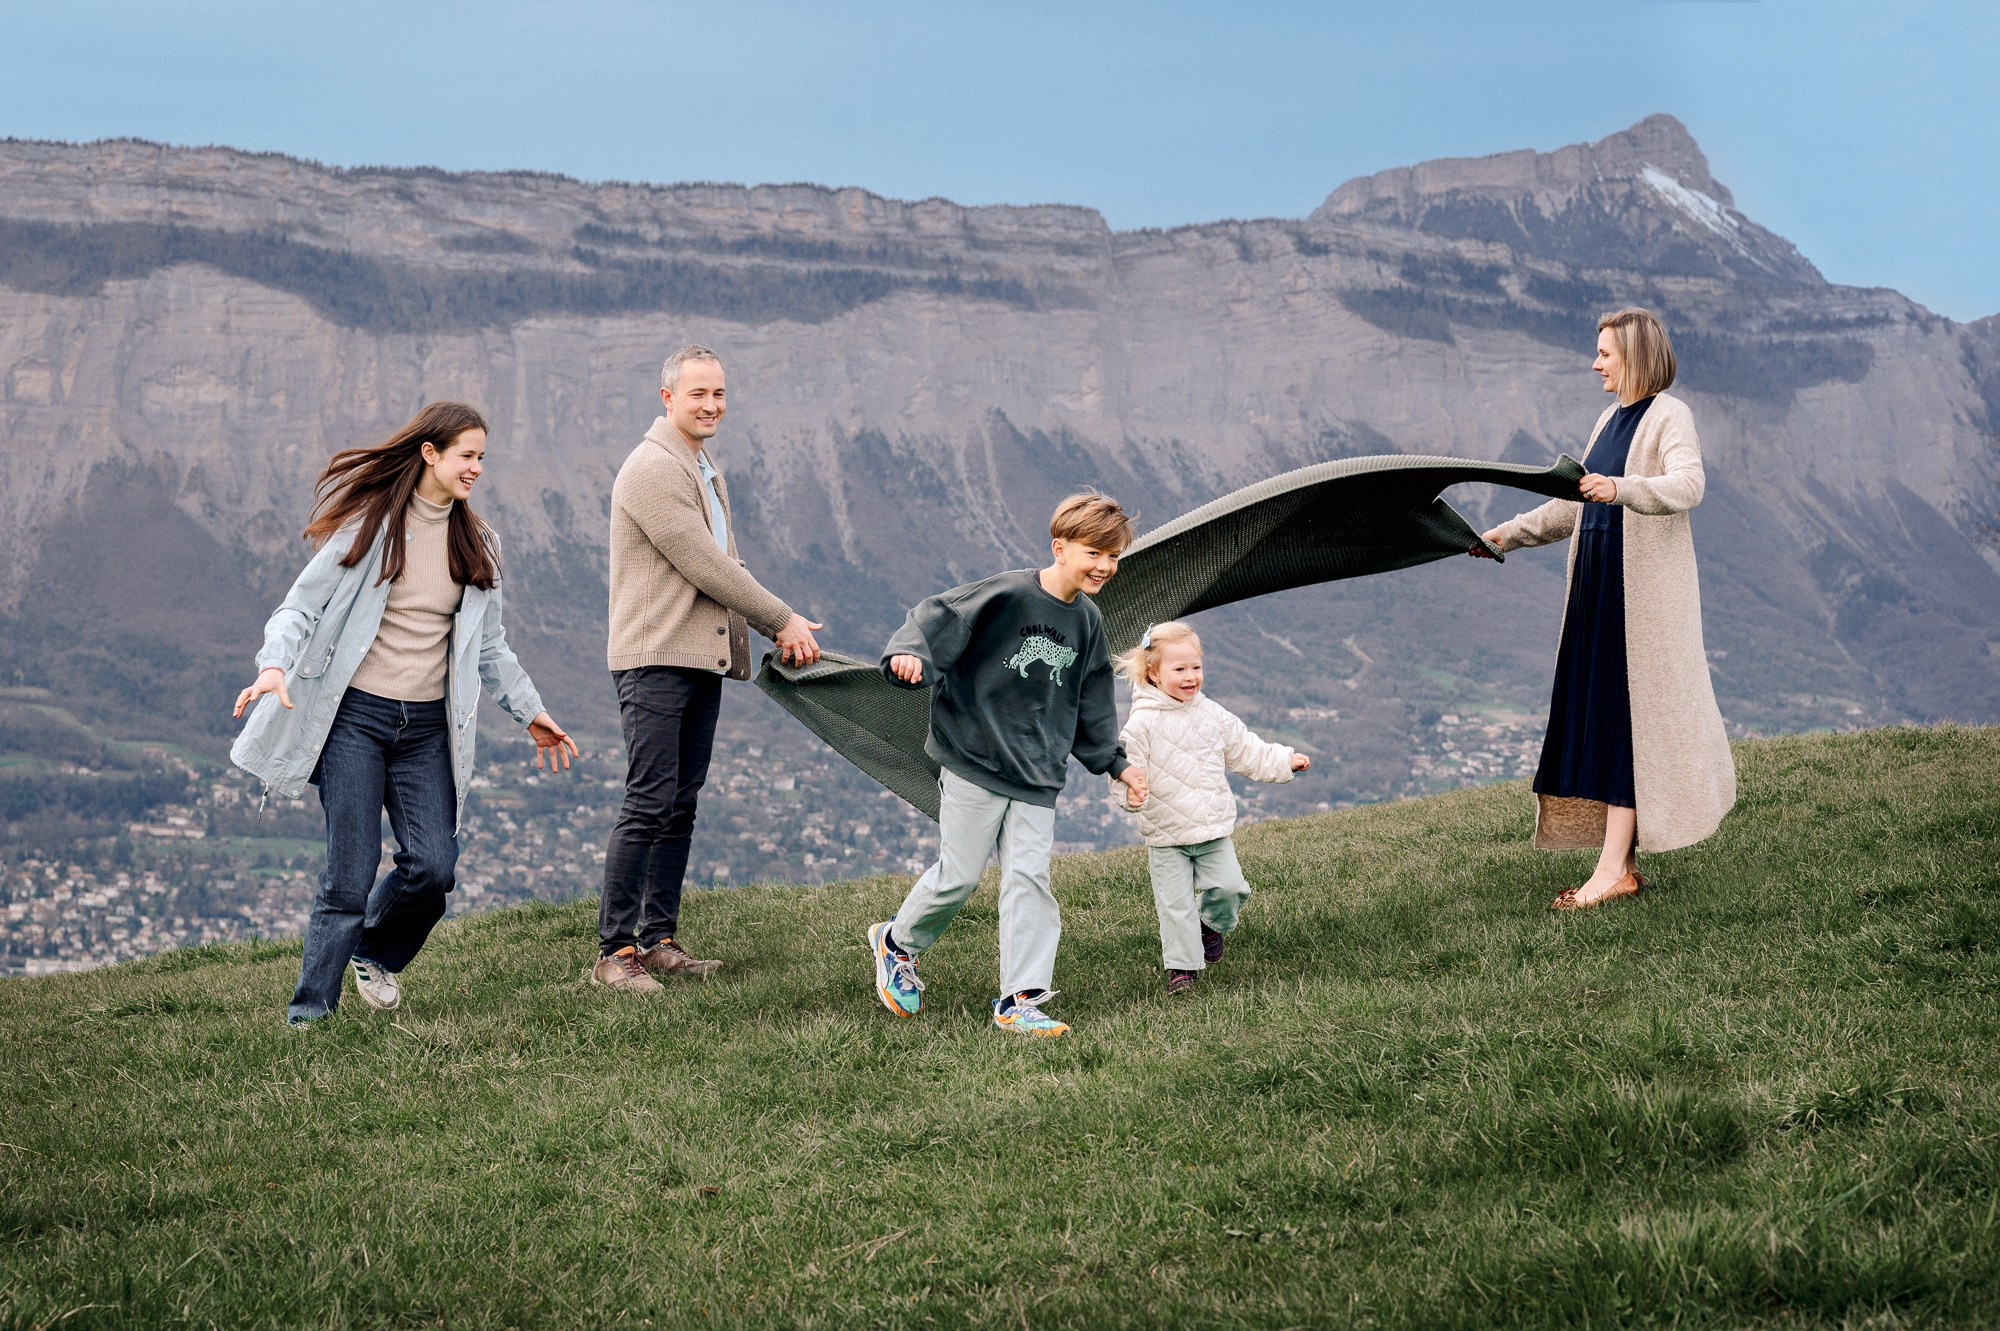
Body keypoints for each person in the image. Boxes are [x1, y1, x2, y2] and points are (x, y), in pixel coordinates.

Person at [231, 402, 580, 1025]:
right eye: (466, 456)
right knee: (349, 875)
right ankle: (309, 1016)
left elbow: (490, 646)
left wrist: (530, 711)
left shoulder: (479, 544)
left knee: (433, 868)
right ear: (431, 454)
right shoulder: (370, 527)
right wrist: (272, 666)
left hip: (425, 731)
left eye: (482, 458)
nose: (476, 468)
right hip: (355, 723)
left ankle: (376, 951)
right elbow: (298, 608)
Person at [1473, 307, 1736, 908]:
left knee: (1627, 725)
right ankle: (1618, 862)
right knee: (1604, 720)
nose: (1595, 363)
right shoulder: (1606, 420)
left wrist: (1623, 489)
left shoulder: (1672, 417)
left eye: (1605, 354)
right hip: (1597, 593)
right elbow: (1574, 506)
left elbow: (1688, 486)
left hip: (1640, 605)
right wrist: (1504, 535)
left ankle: (1613, 868)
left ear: (1636, 356)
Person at [867, 493, 1149, 1037]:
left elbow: (1093, 698)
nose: (1105, 566)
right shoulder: (1007, 594)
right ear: (1059, 547)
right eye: (1095, 552)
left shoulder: (1087, 620)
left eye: (1114, 556)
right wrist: (913, 656)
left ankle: (1020, 999)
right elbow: (933, 618)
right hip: (974, 756)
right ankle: (897, 943)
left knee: (1029, 879)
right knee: (960, 876)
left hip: (1038, 771)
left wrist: (1117, 764)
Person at [594, 344, 823, 992]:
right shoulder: (652, 467)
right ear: (667, 398)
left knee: (679, 804)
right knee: (648, 801)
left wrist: (783, 623)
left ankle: (659, 937)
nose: (712, 404)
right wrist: (779, 618)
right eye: (698, 393)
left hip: (697, 658)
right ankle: (614, 952)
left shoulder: (703, 468)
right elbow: (705, 564)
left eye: (719, 393)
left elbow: (731, 564)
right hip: (654, 659)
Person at [1110, 621, 1309, 994]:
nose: (1190, 677)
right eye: (1179, 669)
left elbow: (1245, 749)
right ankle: (1182, 970)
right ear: (1153, 673)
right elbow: (1125, 769)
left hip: (1211, 828)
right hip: (1166, 834)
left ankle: (1210, 925)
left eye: (1196, 667)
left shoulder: (1211, 714)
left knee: (1231, 887)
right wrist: (1130, 792)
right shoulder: (1141, 724)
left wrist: (1284, 761)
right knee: (1175, 906)